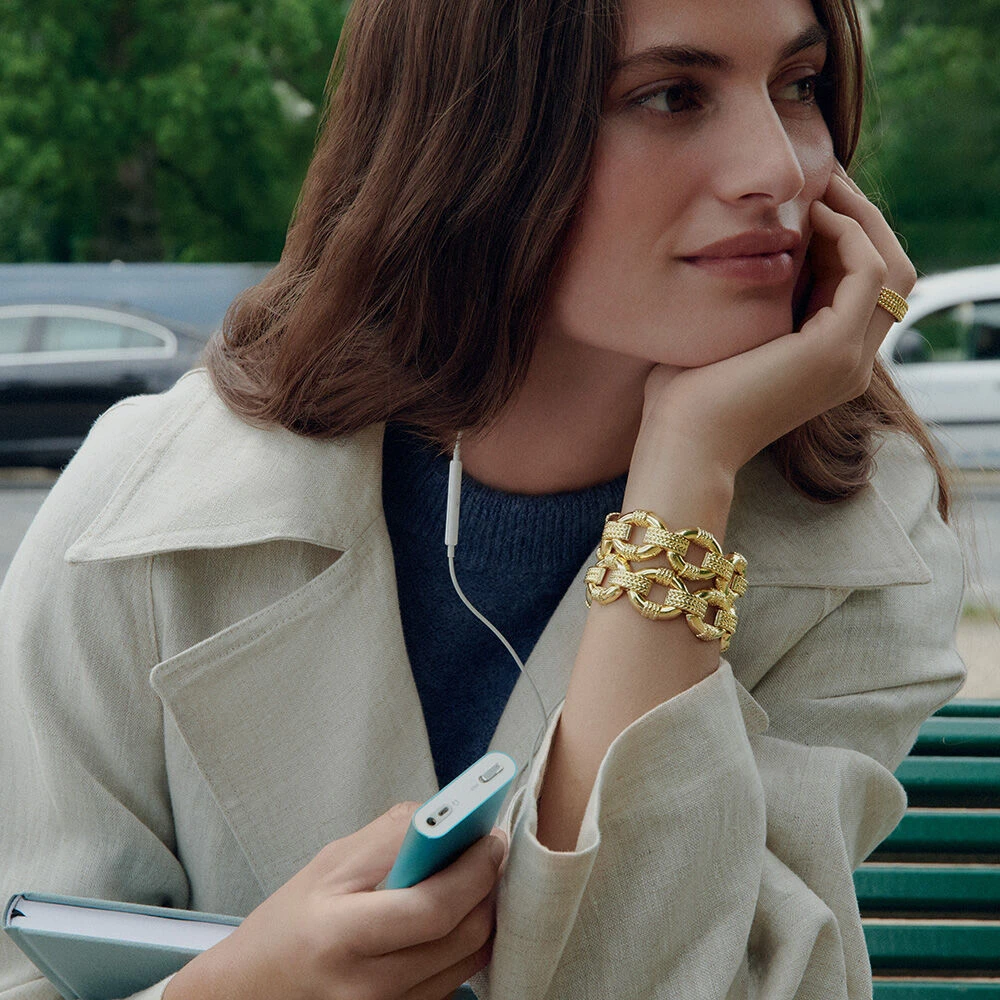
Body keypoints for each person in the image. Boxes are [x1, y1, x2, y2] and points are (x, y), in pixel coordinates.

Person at [0, 0, 967, 996]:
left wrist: (688, 474)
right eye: (672, 96)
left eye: (797, 86)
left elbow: (664, 976)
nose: (781, 168)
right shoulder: (150, 502)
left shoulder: (864, 540)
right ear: (471, 131)